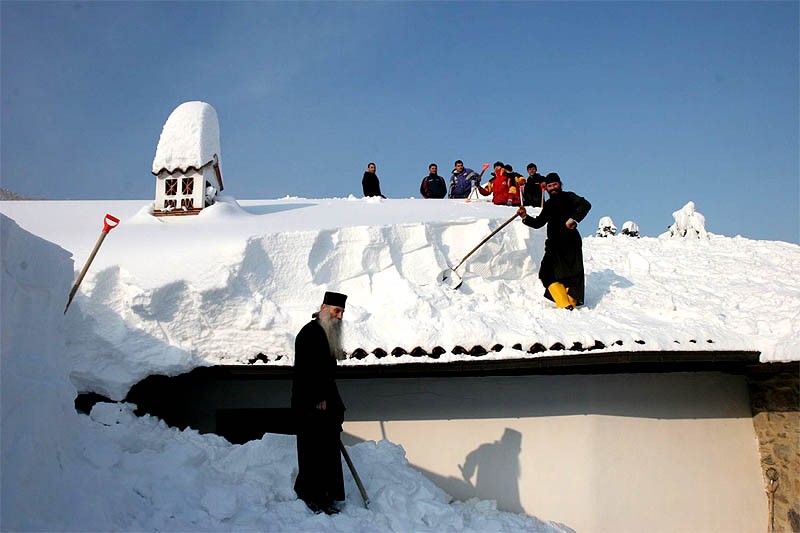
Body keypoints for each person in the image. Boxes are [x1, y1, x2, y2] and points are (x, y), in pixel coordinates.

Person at [292, 291, 348, 514]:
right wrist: (318, 398)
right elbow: (308, 370)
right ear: (324, 308)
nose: (340, 316)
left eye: (342, 312)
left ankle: (326, 495)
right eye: (337, 311)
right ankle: (311, 496)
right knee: (312, 452)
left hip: (326, 403)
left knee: (327, 452)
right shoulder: (310, 333)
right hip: (311, 404)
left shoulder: (325, 332)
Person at [516, 173, 591, 310]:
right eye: (550, 186)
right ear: (547, 188)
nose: (553, 188)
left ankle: (568, 302)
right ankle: (564, 303)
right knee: (546, 273)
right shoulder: (549, 204)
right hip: (554, 244)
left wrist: (574, 219)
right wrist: (525, 217)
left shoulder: (569, 197)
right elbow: (539, 222)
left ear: (560, 184)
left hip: (570, 242)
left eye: (555, 184)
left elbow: (585, 205)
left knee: (573, 274)